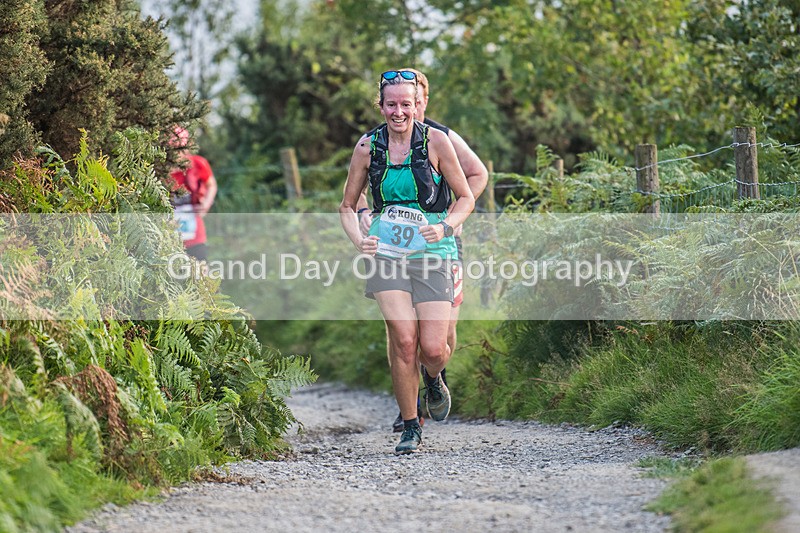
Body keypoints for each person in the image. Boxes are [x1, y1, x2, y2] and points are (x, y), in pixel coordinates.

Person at [340, 69, 475, 454]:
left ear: (418, 105)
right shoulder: (367, 148)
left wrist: (446, 227)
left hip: (433, 250)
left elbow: (466, 197)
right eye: (391, 104)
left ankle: (433, 378)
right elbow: (348, 207)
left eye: (406, 104)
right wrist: (359, 239)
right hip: (388, 252)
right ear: (381, 105)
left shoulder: (437, 142)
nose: (399, 112)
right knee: (403, 341)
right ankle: (411, 426)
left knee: (433, 349)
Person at [169, 126, 218, 262]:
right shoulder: (157, 171)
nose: (178, 153)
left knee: (201, 272)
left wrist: (207, 203)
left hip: (194, 233)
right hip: (168, 237)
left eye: (181, 147)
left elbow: (211, 184)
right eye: (174, 148)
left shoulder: (197, 164)